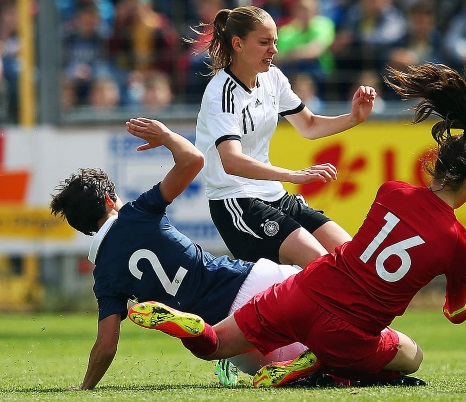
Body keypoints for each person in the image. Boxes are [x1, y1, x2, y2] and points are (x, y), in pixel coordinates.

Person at [127, 63, 466, 387]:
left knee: (215, 345)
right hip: (349, 331)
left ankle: (192, 324)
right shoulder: (457, 242)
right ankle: (319, 363)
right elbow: (455, 313)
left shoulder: (391, 192)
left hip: (302, 289)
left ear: (436, 164)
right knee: (411, 357)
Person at [50, 117, 307, 390]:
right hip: (251, 283)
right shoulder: (137, 213)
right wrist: (165, 135)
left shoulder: (103, 275)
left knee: (291, 364)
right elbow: (193, 159)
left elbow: (106, 346)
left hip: (230, 338)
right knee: (333, 316)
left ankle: (208, 333)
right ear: (109, 200)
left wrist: (85, 386)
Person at [194, 6, 377, 268]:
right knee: (322, 266)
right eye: (264, 42)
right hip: (235, 200)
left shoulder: (273, 77)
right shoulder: (221, 94)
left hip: (274, 195)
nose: (274, 50)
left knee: (355, 260)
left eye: (275, 42)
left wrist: (353, 118)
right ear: (238, 44)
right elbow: (231, 161)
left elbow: (309, 125)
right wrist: (293, 175)